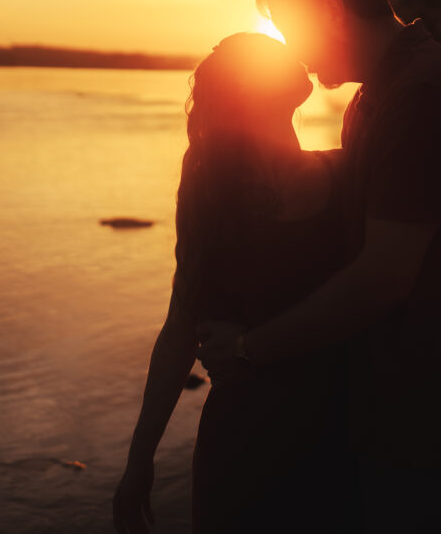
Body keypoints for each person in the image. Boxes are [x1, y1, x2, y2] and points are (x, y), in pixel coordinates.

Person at [197, 0, 441, 532]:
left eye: (291, 28)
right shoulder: (380, 96)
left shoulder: (424, 95)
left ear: (329, 9)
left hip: (435, 418)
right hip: (400, 411)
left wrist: (249, 348)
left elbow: (383, 276)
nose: (295, 53)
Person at [112, 32, 353, 534]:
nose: (293, 53)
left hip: (336, 427)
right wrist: (139, 461)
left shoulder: (348, 171)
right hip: (257, 432)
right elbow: (181, 324)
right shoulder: (211, 186)